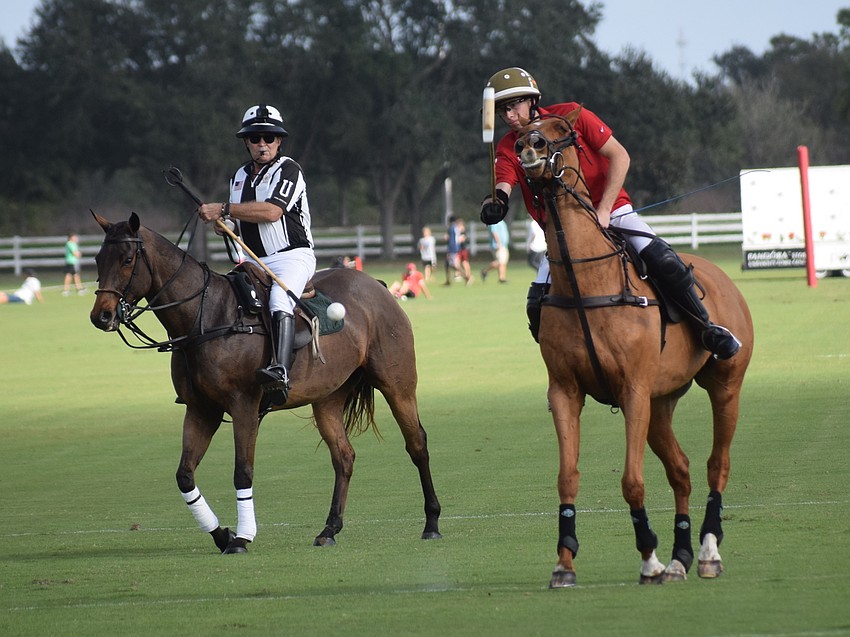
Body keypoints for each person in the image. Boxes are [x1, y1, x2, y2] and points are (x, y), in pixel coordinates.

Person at [479, 67, 740, 360]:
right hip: (562, 232)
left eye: (513, 106)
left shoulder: (572, 117)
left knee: (664, 261)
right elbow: (504, 180)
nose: (510, 116)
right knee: (536, 301)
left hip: (613, 212)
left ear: (532, 101)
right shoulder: (508, 146)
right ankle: (562, 367)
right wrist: (497, 203)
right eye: (503, 111)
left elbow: (620, 156)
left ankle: (707, 327)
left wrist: (604, 209)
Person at [198, 104, 316, 404]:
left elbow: (273, 212)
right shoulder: (238, 176)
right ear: (246, 142)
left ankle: (280, 371)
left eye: (269, 137)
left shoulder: (289, 169)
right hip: (252, 261)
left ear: (279, 141)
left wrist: (224, 209)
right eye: (255, 138)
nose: (262, 144)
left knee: (278, 299)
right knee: (224, 301)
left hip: (291, 256)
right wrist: (225, 225)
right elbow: (238, 219)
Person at [481, 218, 510, 283]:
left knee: (503, 262)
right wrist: (498, 243)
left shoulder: (502, 222)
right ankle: (485, 271)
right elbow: (494, 232)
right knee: (500, 262)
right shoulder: (494, 222)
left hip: (504, 245)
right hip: (498, 245)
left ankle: (502, 278)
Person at [443, 216, 461, 285]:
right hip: (456, 247)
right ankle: (448, 281)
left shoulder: (451, 228)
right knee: (447, 264)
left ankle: (466, 276)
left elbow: (451, 240)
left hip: (452, 248)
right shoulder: (456, 227)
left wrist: (449, 249)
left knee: (452, 264)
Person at [456, 219, 474, 285]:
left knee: (465, 263)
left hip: (463, 250)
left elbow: (461, 240)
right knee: (457, 263)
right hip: (458, 250)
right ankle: (464, 275)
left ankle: (468, 276)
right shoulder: (458, 233)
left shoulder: (463, 232)